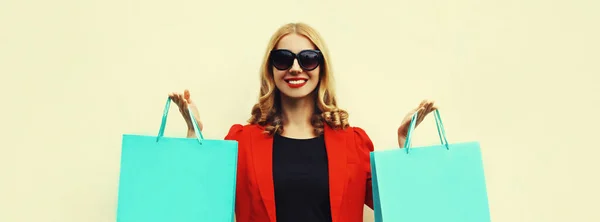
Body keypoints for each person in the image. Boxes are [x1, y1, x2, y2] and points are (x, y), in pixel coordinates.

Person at [168, 22, 437, 222]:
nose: (295, 68)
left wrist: (406, 146)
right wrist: (194, 134)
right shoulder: (242, 141)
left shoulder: (353, 143)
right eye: (283, 58)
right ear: (271, 69)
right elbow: (203, 204)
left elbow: (396, 209)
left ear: (321, 68)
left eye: (308, 59)